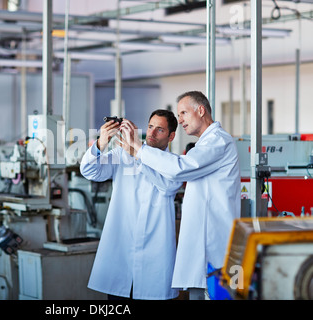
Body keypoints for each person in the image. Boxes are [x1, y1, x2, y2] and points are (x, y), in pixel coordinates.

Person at [119, 91, 241, 300]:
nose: (181, 119)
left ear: (201, 110)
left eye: (184, 112)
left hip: (217, 250)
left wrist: (139, 149)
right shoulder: (204, 144)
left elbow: (180, 168)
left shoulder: (219, 141)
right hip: (205, 250)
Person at [80, 110, 182, 300]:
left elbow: (168, 187)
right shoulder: (122, 155)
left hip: (155, 255)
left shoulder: (174, 163)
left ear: (171, 136)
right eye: (150, 127)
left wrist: (137, 154)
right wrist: (102, 142)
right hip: (122, 253)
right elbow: (89, 171)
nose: (151, 133)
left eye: (160, 130)